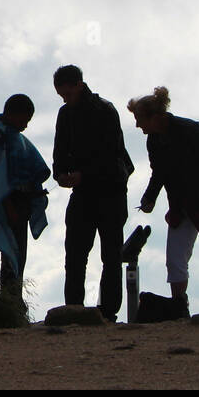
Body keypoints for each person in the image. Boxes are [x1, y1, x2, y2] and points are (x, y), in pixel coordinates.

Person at [128, 86, 199, 317]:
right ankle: (179, 308)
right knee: (175, 257)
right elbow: (159, 172)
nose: (138, 125)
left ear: (154, 117)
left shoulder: (191, 131)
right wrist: (149, 198)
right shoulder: (154, 141)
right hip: (182, 203)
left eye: (139, 119)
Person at [52, 65, 134, 321]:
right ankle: (74, 309)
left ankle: (108, 311)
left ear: (78, 85)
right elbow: (59, 151)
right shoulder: (65, 114)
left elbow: (112, 155)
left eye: (66, 92)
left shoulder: (105, 111)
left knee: (110, 254)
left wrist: (82, 175)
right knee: (75, 253)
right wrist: (61, 174)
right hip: (83, 193)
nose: (64, 98)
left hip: (110, 191)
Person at [0, 94, 50, 310]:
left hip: (21, 201)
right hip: (9, 202)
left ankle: (13, 300)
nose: (26, 126)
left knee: (19, 254)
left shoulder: (12, 135)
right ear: (13, 114)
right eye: (25, 120)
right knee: (12, 254)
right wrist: (8, 206)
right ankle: (10, 303)